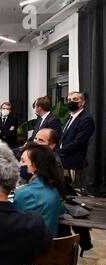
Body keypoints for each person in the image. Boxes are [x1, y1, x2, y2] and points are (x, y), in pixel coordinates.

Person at [57, 91, 95, 251]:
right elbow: (63, 138)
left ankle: (83, 241)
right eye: (69, 99)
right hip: (62, 160)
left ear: (82, 102)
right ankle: (73, 240)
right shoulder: (70, 117)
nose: (71, 101)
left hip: (71, 162)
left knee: (69, 199)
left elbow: (79, 142)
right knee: (65, 200)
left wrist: (60, 151)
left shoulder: (86, 119)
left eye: (75, 99)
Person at [13, 142, 65, 237]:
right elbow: (62, 212)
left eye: (22, 161)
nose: (19, 164)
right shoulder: (54, 188)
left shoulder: (24, 193)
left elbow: (14, 223)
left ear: (35, 166)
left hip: (30, 247)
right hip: (51, 245)